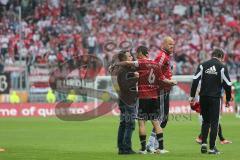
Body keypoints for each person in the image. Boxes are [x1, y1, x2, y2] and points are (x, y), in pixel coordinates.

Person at [114, 46, 177, 154]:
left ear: (141, 54)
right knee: (156, 123)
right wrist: (171, 82)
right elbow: (162, 79)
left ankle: (143, 149)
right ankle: (160, 148)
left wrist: (116, 64)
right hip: (154, 97)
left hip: (143, 97)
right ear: (148, 54)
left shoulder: (140, 63)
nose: (134, 56)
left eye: (137, 54)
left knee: (141, 123)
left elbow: (127, 64)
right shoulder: (156, 64)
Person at [189, 49, 232, 154]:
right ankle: (212, 148)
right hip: (215, 98)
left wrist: (191, 96)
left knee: (205, 121)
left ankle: (203, 143)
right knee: (214, 123)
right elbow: (228, 84)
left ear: (212, 55)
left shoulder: (202, 65)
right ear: (221, 56)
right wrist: (228, 99)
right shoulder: (222, 67)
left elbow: (195, 80)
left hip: (203, 97)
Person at [147, 36, 175, 151]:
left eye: (173, 45)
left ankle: (156, 144)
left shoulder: (166, 56)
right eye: (169, 44)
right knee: (162, 117)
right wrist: (167, 80)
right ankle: (151, 143)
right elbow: (154, 71)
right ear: (163, 45)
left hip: (165, 89)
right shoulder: (162, 56)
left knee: (163, 117)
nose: (172, 47)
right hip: (161, 89)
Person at [109, 50, 138, 154]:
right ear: (123, 59)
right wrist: (135, 78)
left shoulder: (121, 69)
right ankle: (126, 148)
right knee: (130, 124)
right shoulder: (123, 70)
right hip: (128, 100)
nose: (132, 58)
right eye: (129, 56)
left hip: (123, 99)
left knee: (123, 124)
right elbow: (125, 87)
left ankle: (121, 148)